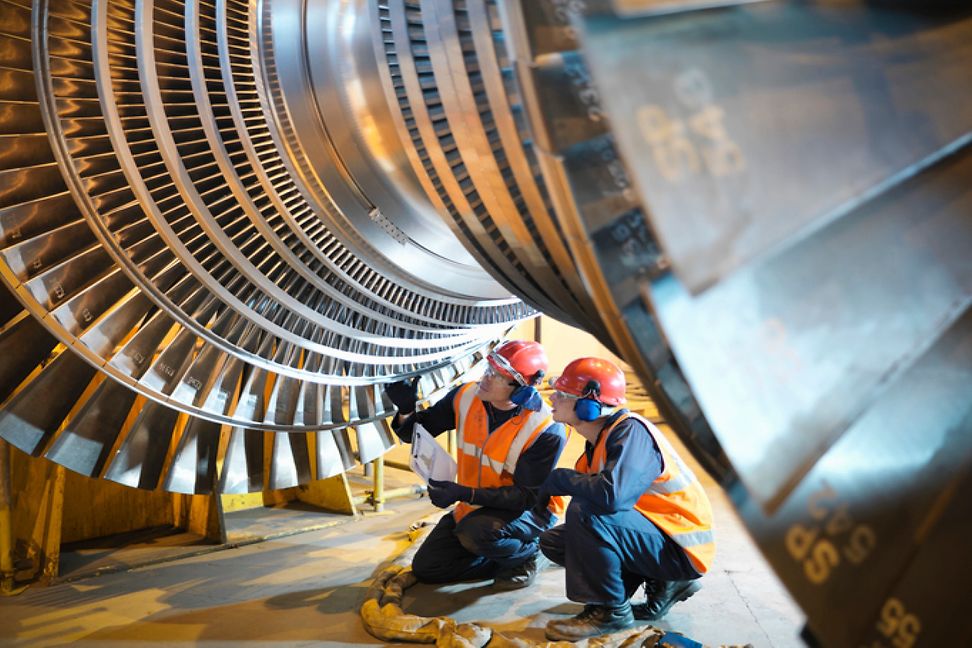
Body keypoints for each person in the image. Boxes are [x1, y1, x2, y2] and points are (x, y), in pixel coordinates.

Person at [536, 357, 715, 642]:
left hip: (681, 548)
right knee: (557, 542)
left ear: (589, 405)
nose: (552, 398)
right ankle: (665, 583)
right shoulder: (599, 442)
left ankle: (610, 612)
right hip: (662, 538)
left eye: (562, 394)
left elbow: (611, 496)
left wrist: (562, 479)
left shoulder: (632, 433)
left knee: (587, 511)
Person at [384, 340, 568, 589]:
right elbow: (417, 433)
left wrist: (462, 492)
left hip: (529, 512)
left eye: (496, 375)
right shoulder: (466, 396)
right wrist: (407, 410)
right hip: (476, 505)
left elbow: (525, 497)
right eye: (488, 369)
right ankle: (499, 556)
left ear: (521, 389)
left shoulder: (545, 428)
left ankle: (529, 553)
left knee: (476, 533)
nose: (485, 378)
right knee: (428, 567)